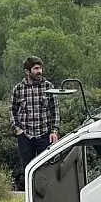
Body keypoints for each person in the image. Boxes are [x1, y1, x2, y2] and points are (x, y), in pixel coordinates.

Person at [10, 55, 61, 190]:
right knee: (28, 169)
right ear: (27, 71)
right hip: (25, 136)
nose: (39, 71)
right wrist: (17, 129)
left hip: (44, 134)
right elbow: (12, 110)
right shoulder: (18, 89)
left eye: (40, 68)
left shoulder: (48, 87)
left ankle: (47, 198)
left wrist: (54, 131)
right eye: (36, 68)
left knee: (46, 168)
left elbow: (55, 110)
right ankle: (30, 200)